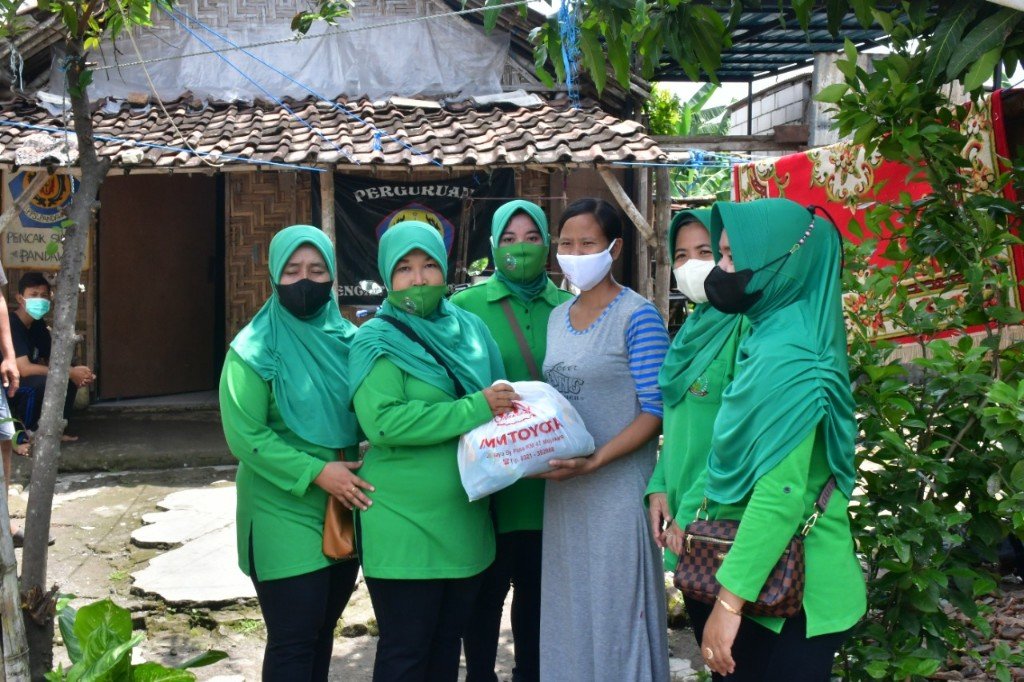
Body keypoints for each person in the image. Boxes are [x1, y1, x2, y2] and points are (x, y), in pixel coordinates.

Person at [691, 199, 866, 680]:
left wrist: (728, 605)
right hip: (766, 578)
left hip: (791, 593)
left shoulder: (790, 356)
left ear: (782, 260)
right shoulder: (774, 329)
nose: (721, 269)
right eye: (721, 255)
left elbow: (781, 494)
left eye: (731, 256)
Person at [348, 220, 518, 682]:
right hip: (403, 525)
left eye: (428, 266)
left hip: (466, 520)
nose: (418, 278)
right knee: (406, 653)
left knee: (445, 650)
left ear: (444, 270)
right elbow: (383, 423)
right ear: (387, 276)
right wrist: (471, 409)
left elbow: (499, 399)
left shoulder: (471, 328)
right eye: (404, 269)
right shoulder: (375, 339)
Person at [219, 225, 365, 681]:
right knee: (295, 638)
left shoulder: (350, 340)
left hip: (343, 503)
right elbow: (246, 436)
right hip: (281, 503)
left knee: (322, 632)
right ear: (274, 276)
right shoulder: (252, 349)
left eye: (317, 269)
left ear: (332, 276)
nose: (305, 280)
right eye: (293, 270)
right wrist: (318, 472)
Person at [537, 197, 671, 682]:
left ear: (613, 248)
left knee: (618, 612)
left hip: (616, 490)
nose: (574, 251)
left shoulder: (638, 317)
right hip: (565, 491)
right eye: (566, 242)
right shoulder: (557, 316)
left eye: (587, 242)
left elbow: (657, 411)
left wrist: (596, 460)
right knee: (569, 611)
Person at [451, 199, 572, 682]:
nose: (520, 248)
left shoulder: (569, 309)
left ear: (547, 244)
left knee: (539, 595)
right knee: (483, 593)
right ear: (493, 245)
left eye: (531, 238)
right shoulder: (464, 307)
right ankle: (480, 674)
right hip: (492, 481)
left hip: (552, 480)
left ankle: (532, 674)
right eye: (508, 238)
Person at [646, 208, 746, 577]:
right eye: (681, 256)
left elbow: (737, 436)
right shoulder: (689, 331)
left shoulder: (745, 326)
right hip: (682, 517)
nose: (692, 265)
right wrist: (659, 487)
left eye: (706, 253)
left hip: (721, 521)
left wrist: (690, 513)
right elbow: (677, 423)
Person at [9, 272, 94, 442]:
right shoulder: (11, 324)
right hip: (8, 385)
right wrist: (68, 371)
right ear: (20, 298)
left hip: (24, 379)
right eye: (33, 295)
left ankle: (56, 431)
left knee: (67, 380)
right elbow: (24, 369)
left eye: (44, 296)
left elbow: (54, 358)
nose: (39, 300)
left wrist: (79, 372)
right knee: (40, 384)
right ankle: (28, 433)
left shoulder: (37, 324)